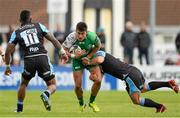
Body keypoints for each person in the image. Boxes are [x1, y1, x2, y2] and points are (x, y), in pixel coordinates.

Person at [4, 10, 68, 112]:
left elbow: (7, 52)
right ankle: (46, 94)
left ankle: (19, 109)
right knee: (52, 85)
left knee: (24, 84)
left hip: (29, 60)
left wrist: (7, 66)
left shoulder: (16, 32)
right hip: (42, 57)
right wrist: (62, 52)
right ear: (31, 19)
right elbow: (53, 40)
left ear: (20, 20)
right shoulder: (39, 26)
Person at [81, 50, 179, 113]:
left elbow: (99, 60)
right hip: (133, 71)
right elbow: (99, 79)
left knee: (136, 100)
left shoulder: (97, 55)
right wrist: (93, 77)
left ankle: (160, 106)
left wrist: (88, 62)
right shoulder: (101, 67)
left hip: (129, 76)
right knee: (145, 88)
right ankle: (168, 84)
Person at [62, 22, 102, 112]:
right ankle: (81, 104)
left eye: (82, 34)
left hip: (89, 59)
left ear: (86, 32)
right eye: (78, 33)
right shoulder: (71, 37)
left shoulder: (92, 36)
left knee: (98, 80)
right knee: (78, 86)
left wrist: (88, 57)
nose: (80, 36)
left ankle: (92, 102)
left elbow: (98, 46)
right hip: (77, 61)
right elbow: (62, 50)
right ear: (75, 31)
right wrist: (73, 56)